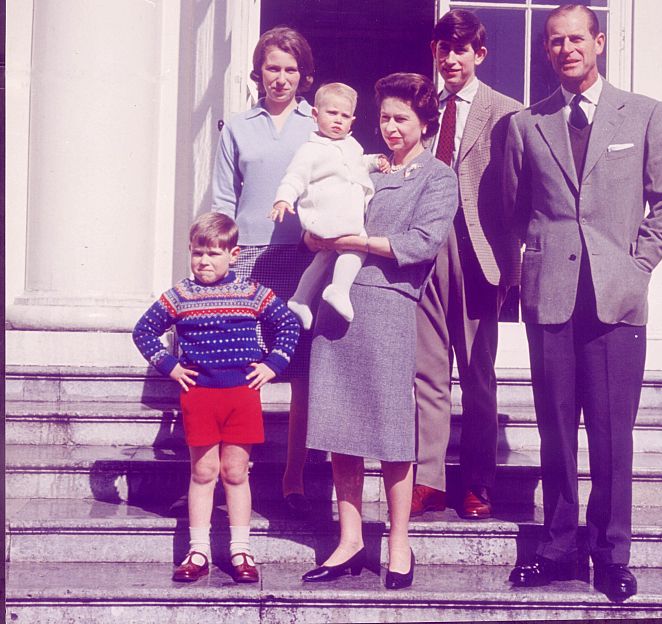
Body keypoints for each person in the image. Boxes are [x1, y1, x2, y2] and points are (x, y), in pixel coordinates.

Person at [503, 4, 662, 602]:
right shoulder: (528, 124)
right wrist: (525, 266)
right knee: (556, 430)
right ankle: (558, 547)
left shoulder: (645, 114)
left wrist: (637, 271)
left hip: (617, 301)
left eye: (575, 38)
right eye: (554, 42)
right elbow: (512, 207)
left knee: (611, 436)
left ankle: (611, 553)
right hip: (550, 296)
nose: (565, 49)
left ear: (598, 43)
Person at [301, 73, 458, 589]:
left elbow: (421, 242)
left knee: (392, 431)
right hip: (336, 306)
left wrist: (360, 240)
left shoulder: (437, 177)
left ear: (424, 123)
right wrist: (316, 233)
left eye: (401, 119)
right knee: (339, 426)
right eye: (384, 117)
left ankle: (398, 542)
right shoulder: (360, 165)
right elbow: (323, 209)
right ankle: (348, 541)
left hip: (390, 305)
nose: (389, 128)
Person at [132, 212, 300, 583]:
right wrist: (170, 365)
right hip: (199, 396)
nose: (203, 261)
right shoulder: (180, 296)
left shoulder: (251, 292)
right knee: (204, 471)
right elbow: (144, 331)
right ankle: (198, 551)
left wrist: (273, 363)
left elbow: (288, 324)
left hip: (241, 395)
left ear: (234, 254)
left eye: (213, 253)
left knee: (236, 473)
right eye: (197, 253)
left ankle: (241, 550)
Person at [412, 9, 522, 521]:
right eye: (443, 48)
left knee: (478, 373)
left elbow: (521, 194)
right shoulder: (419, 108)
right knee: (427, 372)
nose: (450, 58)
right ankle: (429, 480)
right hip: (424, 254)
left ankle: (478, 482)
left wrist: (511, 260)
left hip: (478, 255)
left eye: (460, 50)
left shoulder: (507, 112)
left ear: (479, 54)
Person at [212, 26, 316, 516]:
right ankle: (234, 472)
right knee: (239, 371)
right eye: (273, 67)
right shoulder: (236, 126)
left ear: (303, 75)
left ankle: (293, 478)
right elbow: (222, 201)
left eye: (290, 69)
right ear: (259, 72)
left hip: (302, 257)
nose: (281, 78)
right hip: (248, 258)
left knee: (298, 372)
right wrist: (223, 263)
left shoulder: (318, 124)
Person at [271, 82, 390, 329]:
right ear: (315, 115)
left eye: (344, 116)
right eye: (331, 113)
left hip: (338, 216)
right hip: (329, 215)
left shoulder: (351, 145)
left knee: (324, 257)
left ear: (352, 121)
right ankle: (339, 289)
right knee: (358, 246)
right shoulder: (310, 150)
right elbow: (295, 176)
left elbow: (357, 163)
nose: (338, 120)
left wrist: (375, 161)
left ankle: (300, 298)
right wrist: (283, 198)